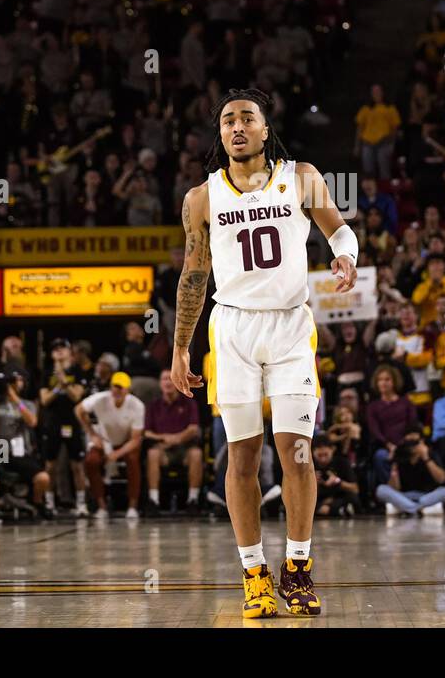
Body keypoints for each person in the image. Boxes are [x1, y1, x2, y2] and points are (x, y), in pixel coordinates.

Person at [169, 87, 358, 618]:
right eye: (228, 120)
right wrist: (180, 347)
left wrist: (345, 258)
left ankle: (297, 567)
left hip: (291, 326)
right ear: (220, 133)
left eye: (247, 118)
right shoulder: (201, 198)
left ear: (264, 129)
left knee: (296, 449)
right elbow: (193, 275)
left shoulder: (301, 177)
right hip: (231, 330)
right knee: (243, 456)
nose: (237, 126)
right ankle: (254, 572)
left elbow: (340, 232)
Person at [0, 369, 53, 522]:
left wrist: (14, 399)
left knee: (43, 478)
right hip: (1, 447)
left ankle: (38, 502)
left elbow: (32, 421)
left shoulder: (25, 404)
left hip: (20, 448)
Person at [77, 371, 146, 517]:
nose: (117, 390)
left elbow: (135, 439)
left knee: (133, 460)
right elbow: (79, 410)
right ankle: (101, 506)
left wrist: (116, 454)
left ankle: (132, 506)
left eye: (121, 387)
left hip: (126, 442)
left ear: (127, 389)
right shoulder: (99, 399)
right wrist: (92, 434)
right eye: (115, 386)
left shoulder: (137, 406)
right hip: (104, 440)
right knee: (91, 461)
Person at [38, 338, 89, 517]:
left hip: (72, 421)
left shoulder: (78, 372)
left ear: (69, 352)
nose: (59, 352)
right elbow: (44, 400)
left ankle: (82, 504)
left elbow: (76, 396)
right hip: (53, 422)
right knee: (51, 465)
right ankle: (50, 503)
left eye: (62, 348)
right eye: (55, 349)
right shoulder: (46, 374)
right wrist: (59, 384)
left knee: (77, 465)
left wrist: (64, 382)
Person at [143, 369, 203, 515]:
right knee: (152, 454)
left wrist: (176, 439)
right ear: (160, 383)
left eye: (171, 379)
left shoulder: (189, 403)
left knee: (196, 454)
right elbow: (146, 432)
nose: (167, 382)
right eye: (164, 379)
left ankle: (193, 500)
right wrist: (164, 438)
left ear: (177, 382)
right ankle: (153, 500)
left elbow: (194, 429)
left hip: (185, 448)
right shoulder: (153, 405)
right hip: (162, 449)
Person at [376, 434, 445, 515]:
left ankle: (404, 509)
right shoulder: (401, 455)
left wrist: (426, 458)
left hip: (427, 496)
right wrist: (394, 471)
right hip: (403, 496)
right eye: (409, 443)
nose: (412, 447)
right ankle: (419, 509)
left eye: (415, 443)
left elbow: (441, 479)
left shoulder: (431, 455)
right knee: (381, 489)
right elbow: (395, 488)